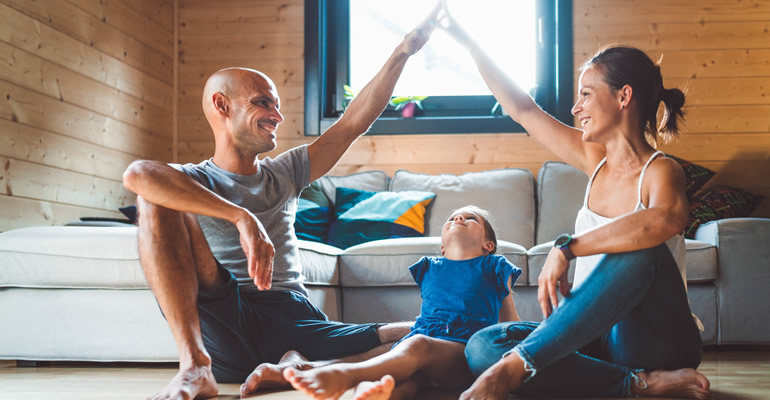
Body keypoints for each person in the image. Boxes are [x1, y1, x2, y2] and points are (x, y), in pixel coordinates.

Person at [121, 5, 442, 400]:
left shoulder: (285, 171)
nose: (277, 115)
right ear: (222, 106)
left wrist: (403, 51)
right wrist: (241, 218)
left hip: (293, 316)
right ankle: (196, 368)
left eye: (276, 105)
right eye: (262, 103)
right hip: (226, 316)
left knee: (424, 332)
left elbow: (351, 126)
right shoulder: (193, 179)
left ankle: (297, 363)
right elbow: (138, 175)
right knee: (154, 201)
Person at [437, 3, 711, 400]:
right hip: (599, 338)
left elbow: (664, 220)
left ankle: (519, 367)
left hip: (657, 341)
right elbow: (521, 108)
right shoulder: (593, 160)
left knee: (640, 251)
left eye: (585, 94)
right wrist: (468, 42)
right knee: (483, 346)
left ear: (623, 97)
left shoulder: (661, 171)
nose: (575, 107)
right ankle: (636, 385)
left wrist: (568, 247)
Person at [283, 206, 522, 400]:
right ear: (442, 246)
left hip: (461, 352)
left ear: (488, 245)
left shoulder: (494, 266)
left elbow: (509, 321)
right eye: (452, 218)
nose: (459, 217)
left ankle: (347, 375)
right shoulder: (428, 267)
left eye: (471, 219)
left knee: (418, 346)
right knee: (407, 378)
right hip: (423, 342)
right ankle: (378, 394)